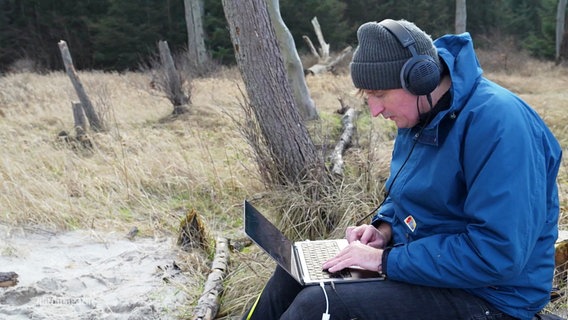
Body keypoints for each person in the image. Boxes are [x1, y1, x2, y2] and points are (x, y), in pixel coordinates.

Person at [242, 19, 563, 320]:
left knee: (319, 304)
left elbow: (497, 254)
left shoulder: (501, 127)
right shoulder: (420, 116)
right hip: (433, 271)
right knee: (292, 274)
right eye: (368, 96)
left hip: (492, 297)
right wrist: (384, 231)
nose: (375, 110)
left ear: (421, 79)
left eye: (380, 95)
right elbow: (410, 196)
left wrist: (384, 261)